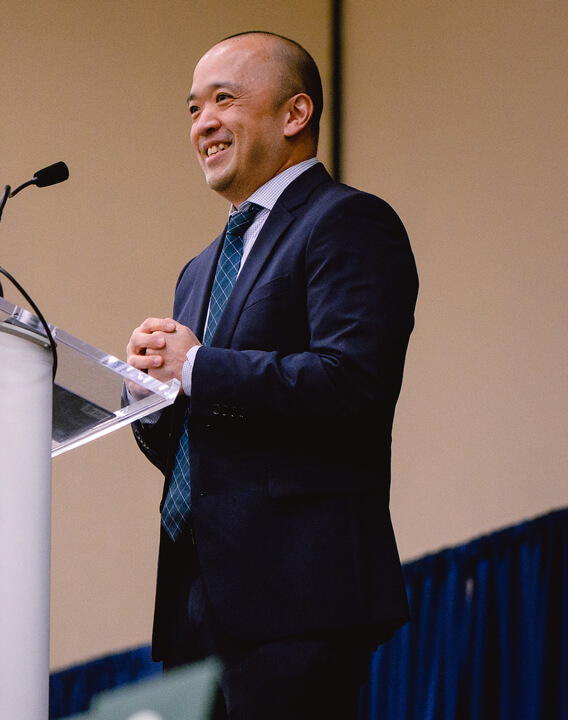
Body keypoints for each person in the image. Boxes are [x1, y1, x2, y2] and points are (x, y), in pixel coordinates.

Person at [125, 31, 417, 719]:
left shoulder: (347, 222)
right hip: (196, 600)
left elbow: (352, 384)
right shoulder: (198, 270)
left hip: (297, 594)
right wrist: (150, 396)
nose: (203, 124)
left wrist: (196, 366)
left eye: (224, 99)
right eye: (193, 108)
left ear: (295, 115)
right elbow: (202, 433)